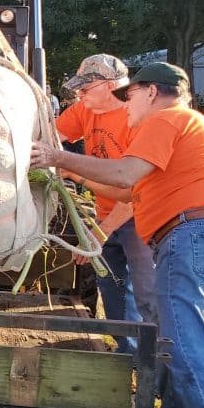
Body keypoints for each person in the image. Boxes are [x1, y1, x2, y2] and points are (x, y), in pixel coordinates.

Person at [31, 62, 204, 408]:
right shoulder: (179, 126)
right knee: (174, 339)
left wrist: (58, 158)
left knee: (186, 345)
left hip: (193, 234)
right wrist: (76, 175)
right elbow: (127, 193)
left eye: (128, 96)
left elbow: (124, 175)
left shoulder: (167, 119)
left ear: (151, 92)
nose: (124, 105)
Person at [56, 54, 155, 353]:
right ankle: (128, 353)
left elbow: (136, 192)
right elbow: (50, 136)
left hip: (142, 218)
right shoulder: (84, 110)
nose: (79, 95)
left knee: (148, 294)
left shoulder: (139, 119)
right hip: (106, 213)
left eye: (85, 89)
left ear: (110, 85)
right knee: (112, 290)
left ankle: (160, 363)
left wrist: (101, 232)